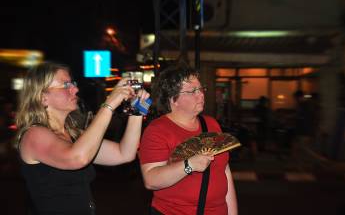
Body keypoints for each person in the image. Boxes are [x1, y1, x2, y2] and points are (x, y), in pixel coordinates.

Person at [15, 62, 150, 215]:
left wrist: (137, 111)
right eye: (65, 85)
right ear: (42, 97)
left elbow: (124, 153)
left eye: (73, 83)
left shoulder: (74, 135)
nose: (75, 89)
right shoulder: (34, 135)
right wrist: (109, 104)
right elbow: (77, 158)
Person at [138, 64, 238, 215]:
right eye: (192, 91)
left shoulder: (211, 124)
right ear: (173, 99)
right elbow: (151, 180)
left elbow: (224, 171)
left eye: (201, 89)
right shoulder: (157, 130)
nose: (201, 95)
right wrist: (189, 164)